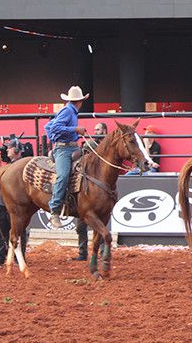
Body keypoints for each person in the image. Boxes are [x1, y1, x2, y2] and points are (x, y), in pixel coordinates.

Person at [0, 135, 33, 267]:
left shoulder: (20, 166)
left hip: (14, 202)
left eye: (10, 148)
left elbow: (2, 178)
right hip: (5, 201)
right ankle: (3, 255)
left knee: (18, 229)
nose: (7, 150)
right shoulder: (12, 165)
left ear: (16, 150)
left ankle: (17, 257)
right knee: (1, 228)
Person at [45, 85, 88, 229]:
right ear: (80, 101)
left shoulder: (70, 111)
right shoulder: (68, 111)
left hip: (72, 147)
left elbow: (48, 126)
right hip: (64, 150)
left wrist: (55, 138)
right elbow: (55, 127)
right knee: (63, 176)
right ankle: (55, 211)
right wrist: (75, 129)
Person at [71, 122, 107, 261]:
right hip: (86, 186)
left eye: (98, 129)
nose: (96, 131)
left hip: (98, 188)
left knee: (99, 225)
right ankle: (83, 253)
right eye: (95, 129)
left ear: (104, 130)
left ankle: (101, 251)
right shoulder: (90, 144)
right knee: (81, 226)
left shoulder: (106, 145)